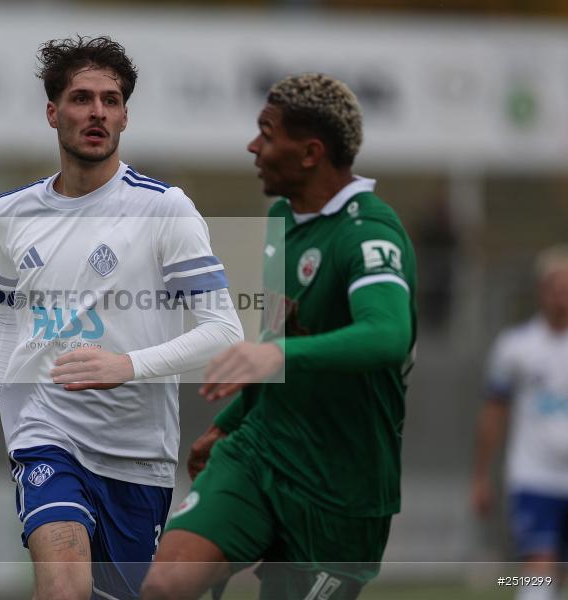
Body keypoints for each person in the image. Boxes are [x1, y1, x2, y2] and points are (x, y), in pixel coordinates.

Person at [0, 36, 243, 600]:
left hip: (139, 458)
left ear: (126, 115)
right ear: (52, 112)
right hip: (45, 431)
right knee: (63, 589)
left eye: (110, 100)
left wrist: (126, 365)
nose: (97, 112)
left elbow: (224, 333)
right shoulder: (9, 214)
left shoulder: (165, 208)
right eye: (82, 98)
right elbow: (5, 319)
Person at [141, 73, 418, 600]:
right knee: (163, 585)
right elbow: (279, 344)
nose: (254, 146)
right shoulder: (281, 221)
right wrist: (231, 422)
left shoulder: (369, 234)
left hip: (342, 487)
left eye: (267, 134)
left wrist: (272, 355)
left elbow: (388, 335)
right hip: (260, 453)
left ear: (310, 152)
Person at [471, 245, 568, 600]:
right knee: (538, 567)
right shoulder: (515, 347)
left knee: (556, 573)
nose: (561, 295)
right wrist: (480, 477)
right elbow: (493, 412)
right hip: (534, 476)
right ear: (541, 291)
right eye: (555, 287)